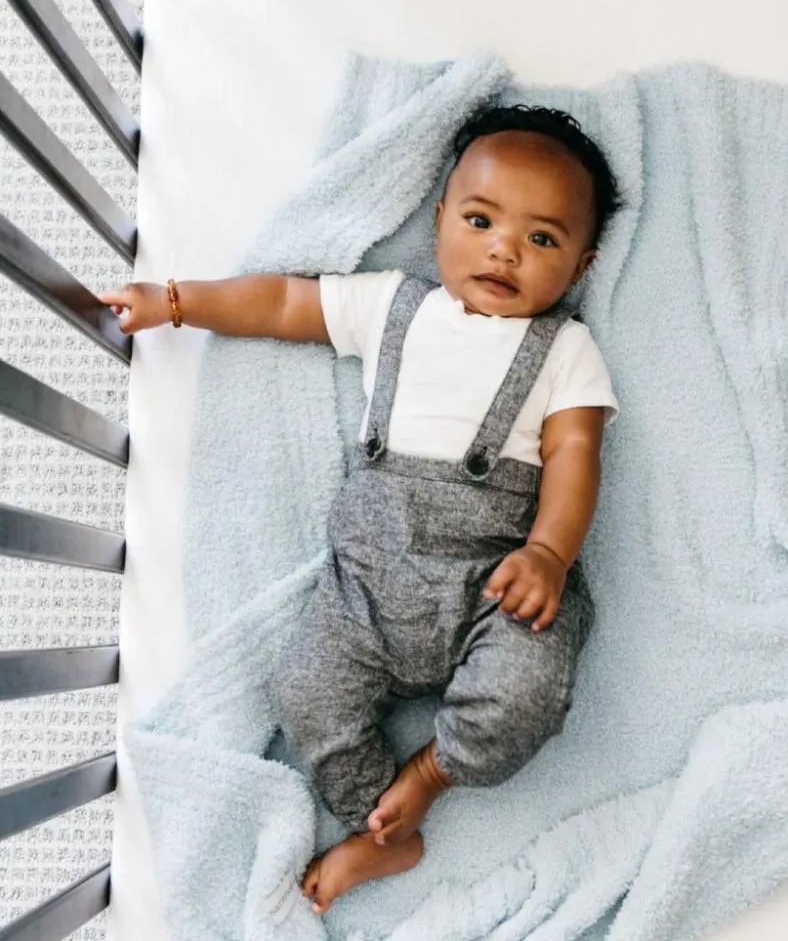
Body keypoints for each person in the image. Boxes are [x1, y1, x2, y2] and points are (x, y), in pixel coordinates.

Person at [101, 104, 621, 914]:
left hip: (498, 583)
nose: (504, 249)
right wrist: (177, 300)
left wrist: (549, 553)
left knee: (528, 692)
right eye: (480, 219)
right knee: (305, 694)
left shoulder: (565, 351)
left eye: (543, 239)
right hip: (366, 594)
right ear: (441, 216)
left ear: (580, 266)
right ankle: (381, 826)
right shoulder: (392, 307)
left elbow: (576, 457)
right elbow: (278, 304)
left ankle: (429, 776)